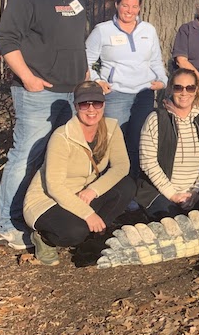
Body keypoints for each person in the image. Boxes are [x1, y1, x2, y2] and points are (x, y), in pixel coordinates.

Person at [0, 0, 89, 251]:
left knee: (60, 158)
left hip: (72, 94)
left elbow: (76, 42)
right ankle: (8, 225)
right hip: (38, 94)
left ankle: (49, 212)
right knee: (26, 156)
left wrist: (85, 74)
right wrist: (28, 78)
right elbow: (6, 40)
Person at [23, 81, 136, 266]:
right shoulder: (62, 136)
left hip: (84, 192)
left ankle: (95, 236)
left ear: (104, 104)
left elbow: (122, 166)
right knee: (75, 232)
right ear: (76, 106)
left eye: (96, 103)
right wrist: (87, 214)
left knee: (126, 186)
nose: (91, 109)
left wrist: (94, 190)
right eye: (84, 104)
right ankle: (44, 238)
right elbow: (54, 186)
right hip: (47, 200)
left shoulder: (111, 128)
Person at [85, 0, 167, 176]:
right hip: (116, 95)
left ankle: (133, 187)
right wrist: (97, 80)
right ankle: (110, 184)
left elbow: (155, 60)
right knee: (114, 142)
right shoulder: (102, 31)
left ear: (139, 8)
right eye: (125, 5)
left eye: (134, 6)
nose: (129, 11)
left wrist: (162, 80)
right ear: (117, 5)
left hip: (144, 95)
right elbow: (86, 60)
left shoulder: (148, 30)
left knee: (139, 141)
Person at [135, 68, 199, 220]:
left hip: (197, 192)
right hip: (161, 192)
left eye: (190, 88)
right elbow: (148, 163)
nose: (184, 93)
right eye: (178, 87)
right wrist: (173, 195)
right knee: (175, 224)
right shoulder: (155, 119)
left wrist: (196, 191)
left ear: (196, 90)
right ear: (170, 89)